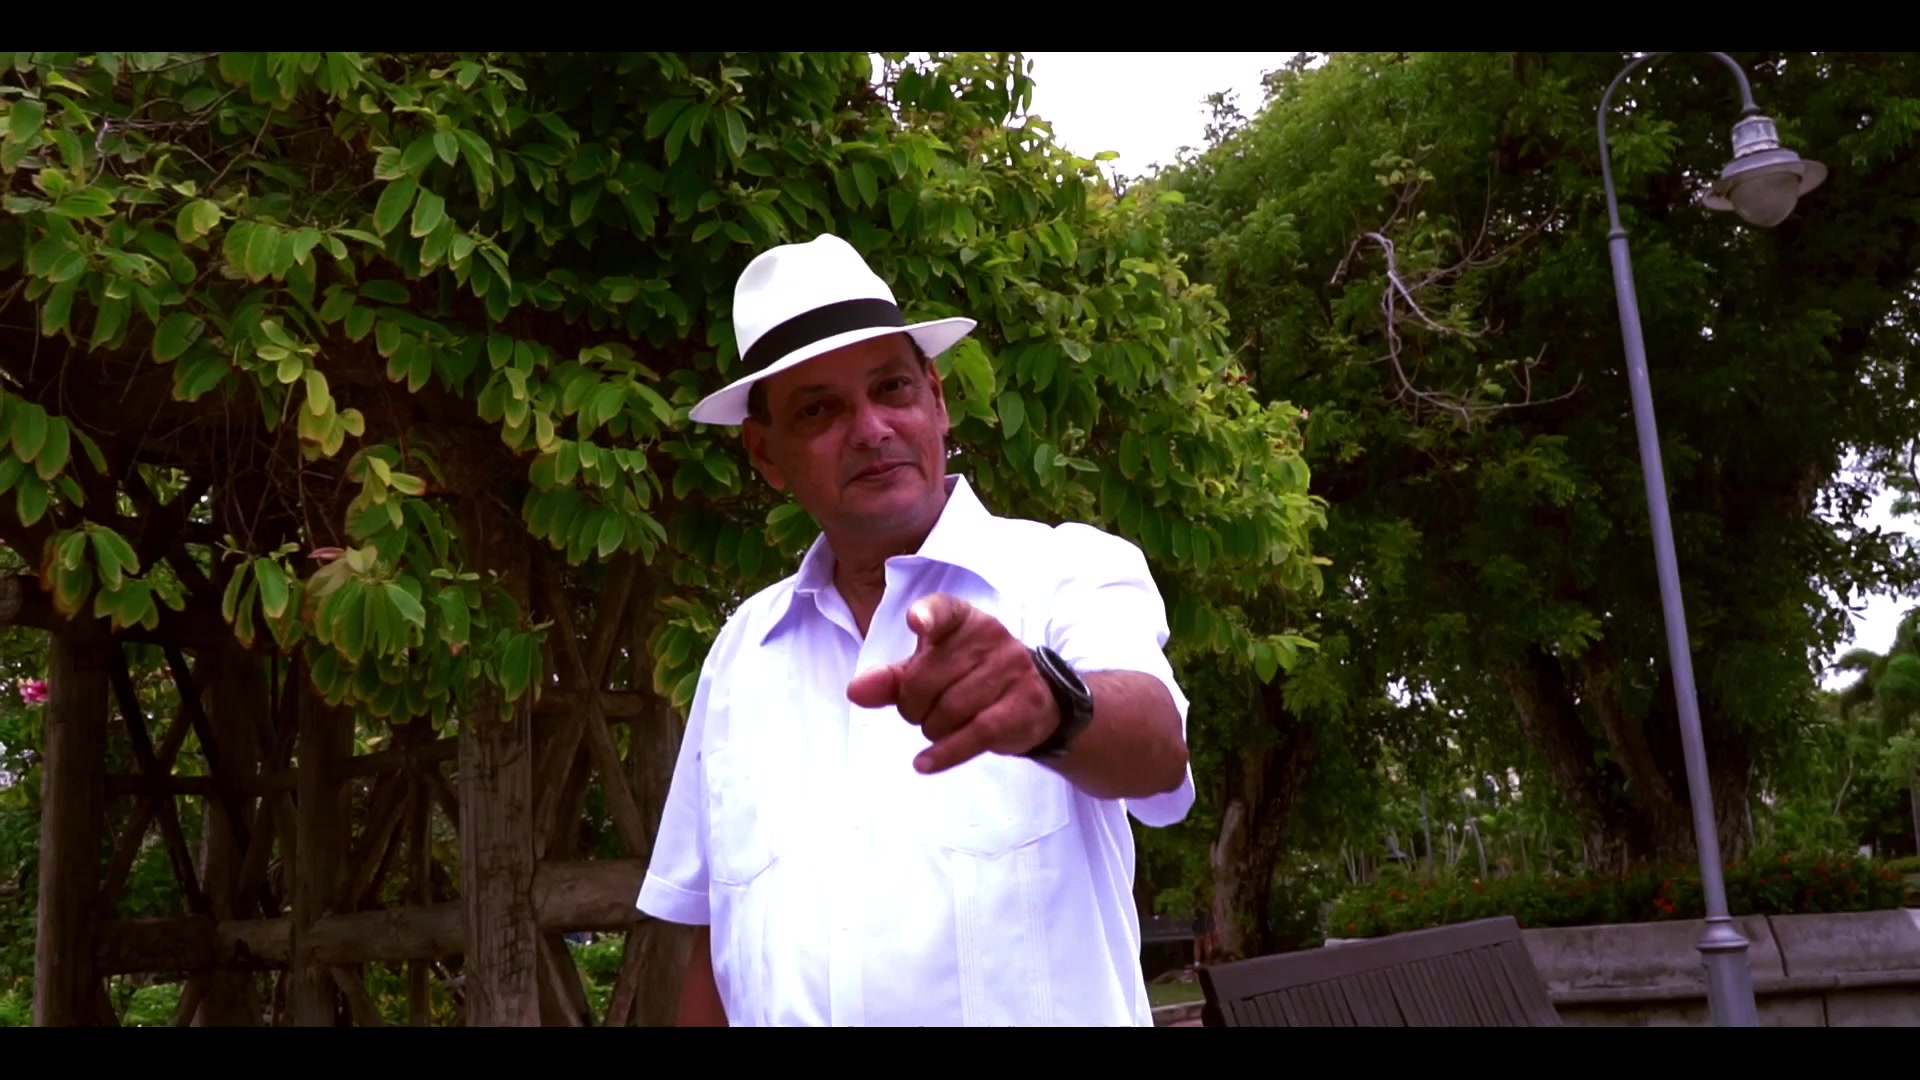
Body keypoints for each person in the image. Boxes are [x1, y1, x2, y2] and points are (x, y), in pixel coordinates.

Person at [635, 233, 1196, 1026]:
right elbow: (714, 939)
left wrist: (1052, 706)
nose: (871, 428)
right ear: (766, 453)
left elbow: (1158, 749)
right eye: (819, 409)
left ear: (937, 398)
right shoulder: (739, 655)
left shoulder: (1065, 572)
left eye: (891, 388)